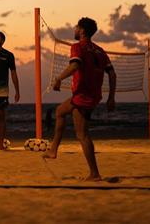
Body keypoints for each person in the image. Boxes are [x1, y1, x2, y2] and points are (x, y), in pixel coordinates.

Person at [43, 17, 117, 181]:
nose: (74, 29)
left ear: (82, 30)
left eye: (76, 27)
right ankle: (53, 149)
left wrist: (58, 79)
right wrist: (111, 97)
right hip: (92, 95)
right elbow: (112, 74)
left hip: (83, 96)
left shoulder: (78, 47)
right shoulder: (99, 50)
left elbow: (75, 65)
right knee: (60, 111)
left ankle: (95, 174)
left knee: (82, 134)